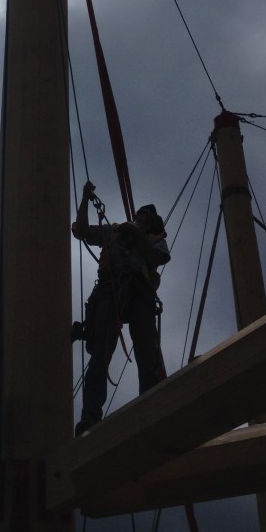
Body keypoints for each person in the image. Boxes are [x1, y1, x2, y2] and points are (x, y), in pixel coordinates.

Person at [71, 181, 170, 436]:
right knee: (101, 355)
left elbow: (156, 258)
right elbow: (81, 230)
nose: (142, 221)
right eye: (141, 217)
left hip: (139, 293)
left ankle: (150, 411)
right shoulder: (113, 232)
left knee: (147, 353)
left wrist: (136, 235)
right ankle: (90, 418)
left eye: (146, 219)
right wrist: (84, 199)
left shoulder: (154, 241)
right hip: (110, 291)